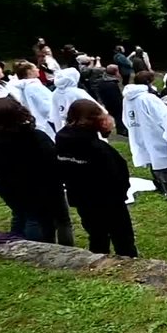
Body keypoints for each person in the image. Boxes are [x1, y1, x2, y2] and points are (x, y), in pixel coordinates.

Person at [56, 100, 138, 257]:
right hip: (108, 200)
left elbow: (61, 168)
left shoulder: (62, 139)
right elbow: (117, 173)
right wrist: (121, 193)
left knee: (96, 235)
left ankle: (97, 261)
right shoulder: (96, 148)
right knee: (122, 238)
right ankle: (128, 264)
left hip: (81, 197)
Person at [0, 97, 70, 244]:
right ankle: (65, 249)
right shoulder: (35, 136)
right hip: (48, 186)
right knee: (61, 220)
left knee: (36, 218)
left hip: (18, 186)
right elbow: (54, 160)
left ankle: (42, 246)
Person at [123, 71, 167, 194]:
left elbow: (125, 118)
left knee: (151, 158)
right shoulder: (148, 98)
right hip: (154, 133)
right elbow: (163, 116)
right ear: (148, 82)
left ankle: (160, 183)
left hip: (138, 132)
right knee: (163, 159)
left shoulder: (127, 99)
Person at [7, 61, 58, 139]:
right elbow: (45, 105)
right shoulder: (33, 87)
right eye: (35, 68)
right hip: (47, 121)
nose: (38, 69)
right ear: (29, 72)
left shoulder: (28, 86)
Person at [51, 67, 95, 135]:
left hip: (64, 126)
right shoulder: (78, 92)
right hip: (82, 124)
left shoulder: (55, 93)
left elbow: (55, 113)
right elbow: (94, 106)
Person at [91, 65, 127, 136]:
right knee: (118, 117)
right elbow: (116, 97)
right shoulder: (112, 84)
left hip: (106, 102)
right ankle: (121, 130)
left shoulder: (101, 81)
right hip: (114, 104)